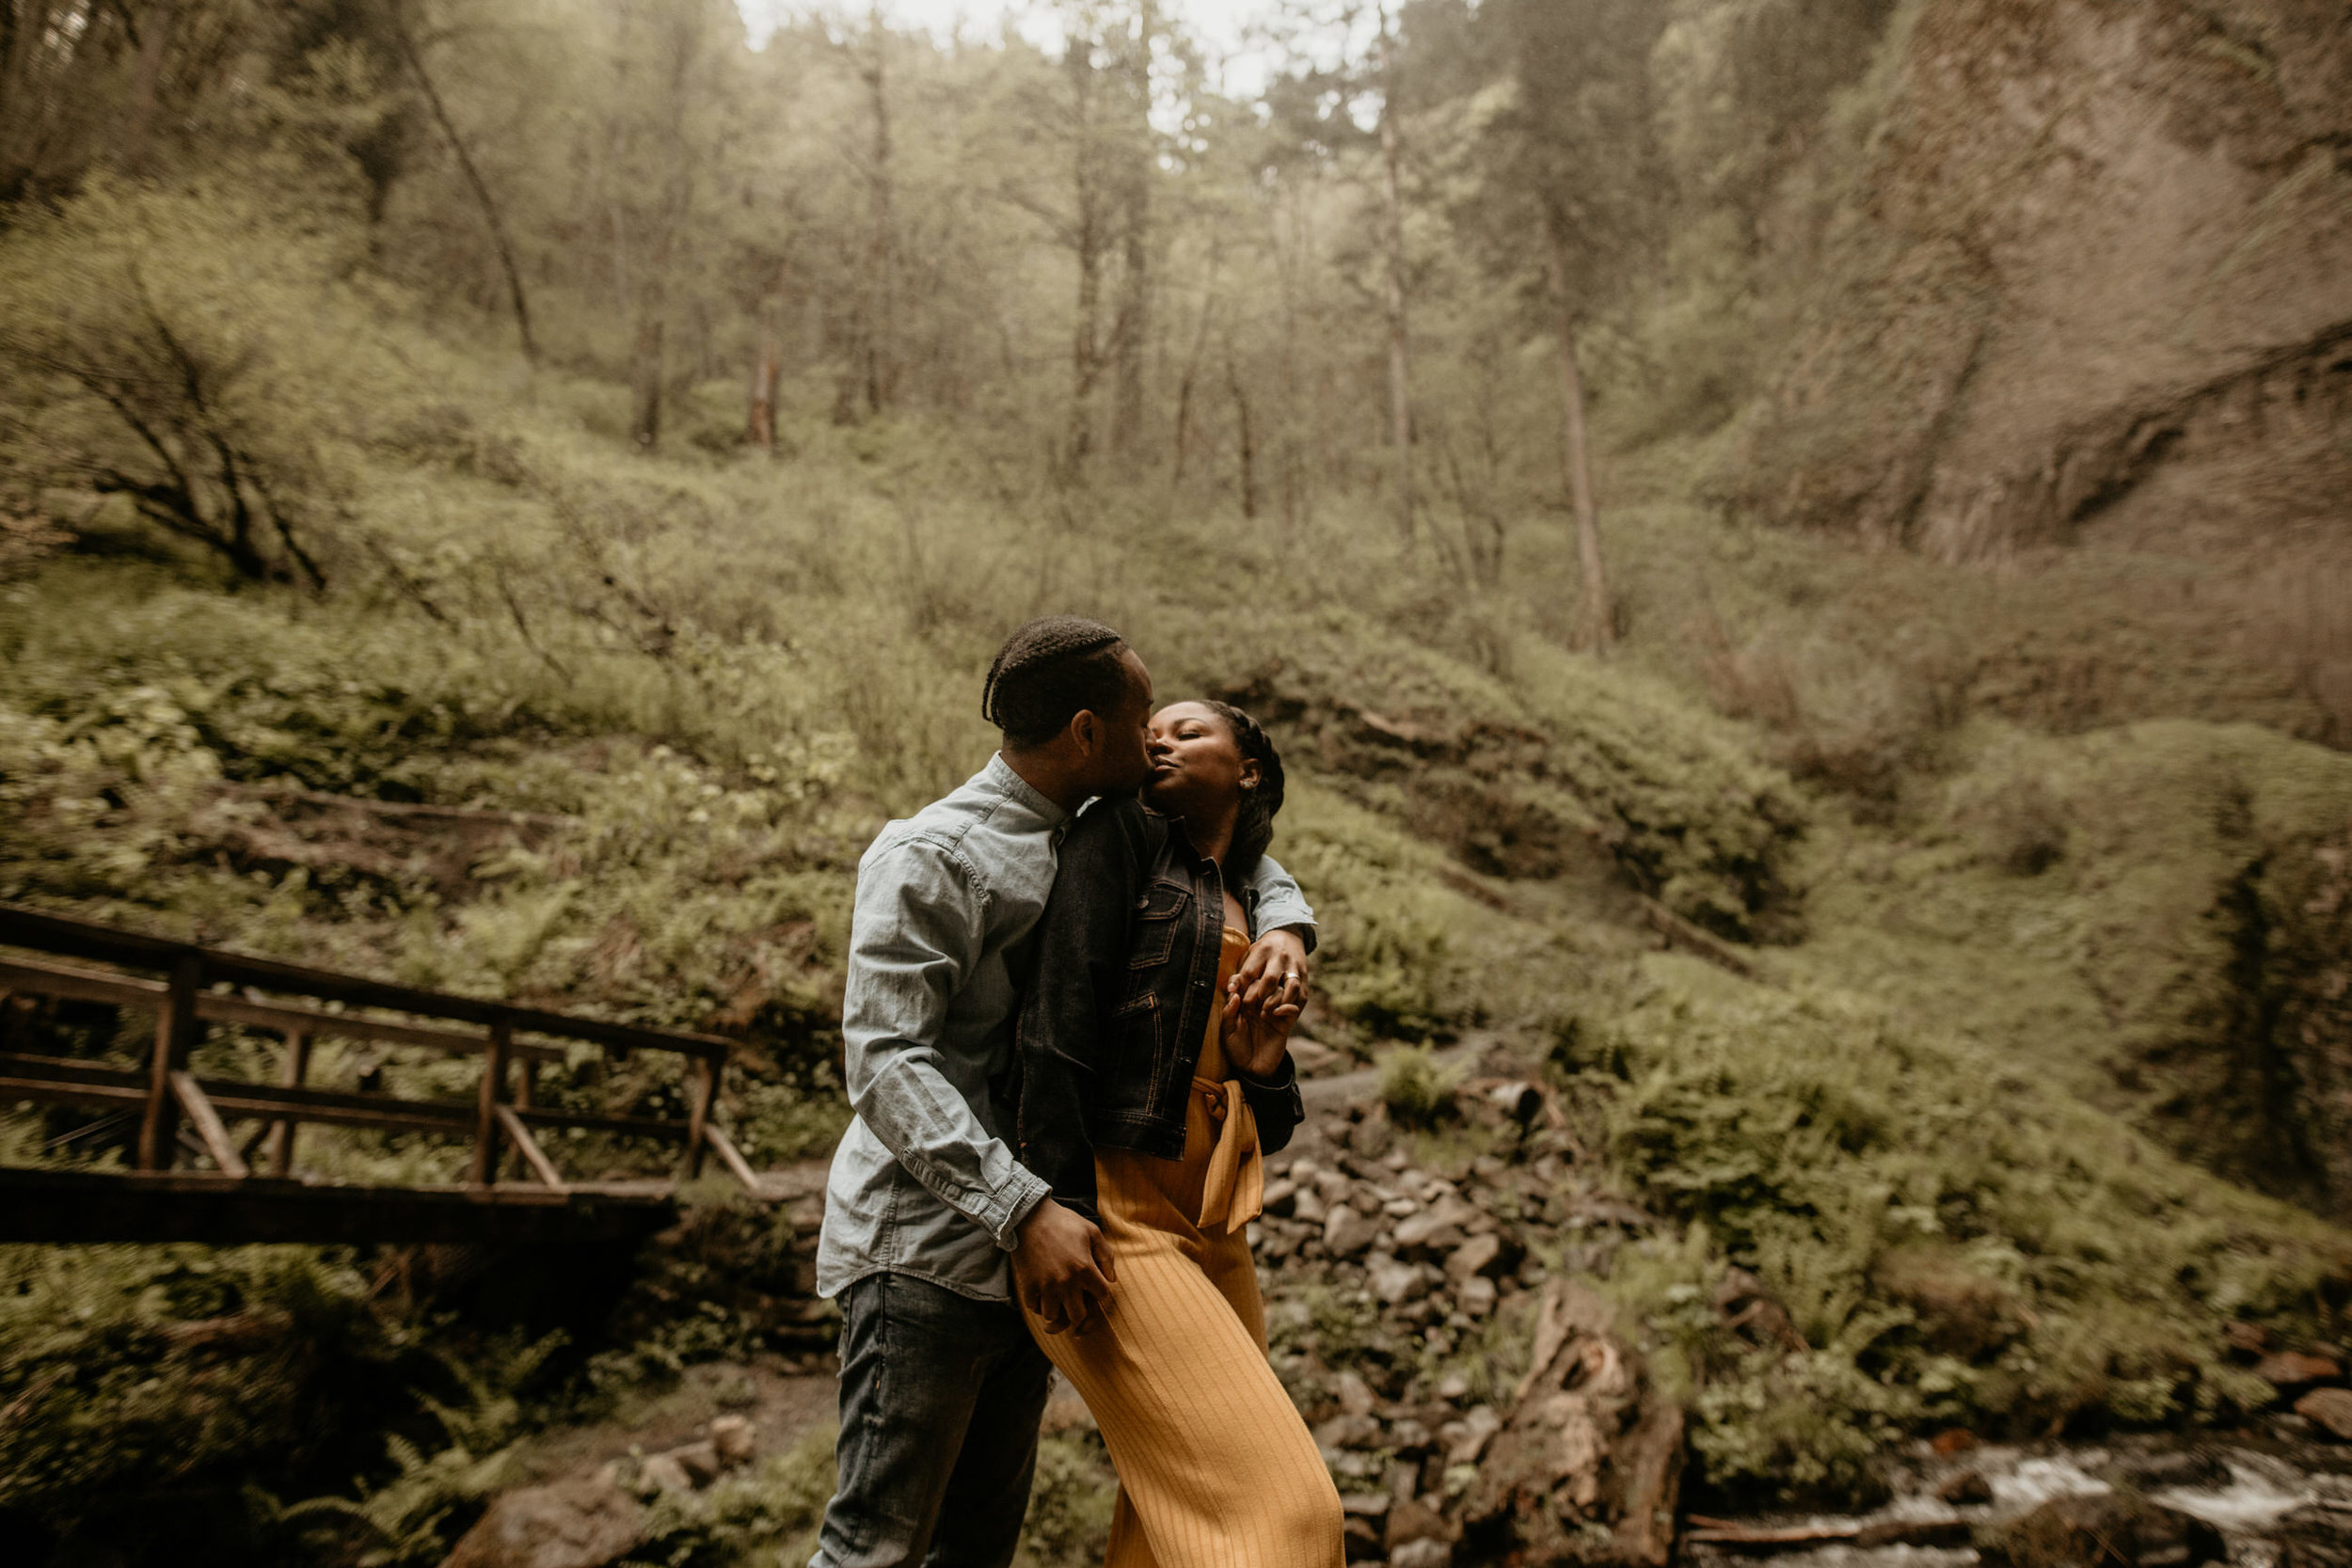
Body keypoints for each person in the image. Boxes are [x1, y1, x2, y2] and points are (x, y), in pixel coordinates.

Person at [809, 619, 1318, 1568]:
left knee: (976, 1550)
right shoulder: (934, 853)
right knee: (872, 1548)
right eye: (1143, 723)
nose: (1155, 739)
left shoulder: (1100, 833)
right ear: (1088, 733)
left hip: (1040, 1257)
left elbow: (1234, 857)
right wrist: (1024, 1203)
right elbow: (883, 1059)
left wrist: (1290, 921)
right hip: (925, 1245)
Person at [1011, 698, 1345, 1568]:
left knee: (1164, 1537)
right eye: (1151, 727)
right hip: (1111, 1220)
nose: (1159, 735)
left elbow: (1258, 1119)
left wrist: (1262, 1062)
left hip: (1214, 1224)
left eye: (1189, 730)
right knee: (1291, 1523)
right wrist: (1047, 1201)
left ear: (1249, 771)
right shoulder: (1117, 836)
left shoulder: (1249, 891)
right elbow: (1055, 1019)